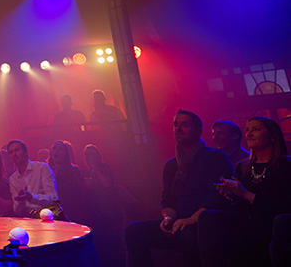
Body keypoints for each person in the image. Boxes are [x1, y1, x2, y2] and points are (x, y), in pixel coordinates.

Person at [124, 109, 232, 267]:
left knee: (188, 235)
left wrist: (190, 219)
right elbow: (168, 199)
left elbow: (217, 197)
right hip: (178, 222)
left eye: (185, 125)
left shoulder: (215, 157)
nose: (178, 129)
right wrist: (168, 218)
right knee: (134, 231)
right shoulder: (171, 165)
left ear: (198, 130)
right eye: (175, 125)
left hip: (204, 222)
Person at [198, 116, 291, 266]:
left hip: (270, 221)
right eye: (247, 130)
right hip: (244, 219)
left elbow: (282, 206)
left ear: (272, 136)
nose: (249, 134)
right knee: (208, 217)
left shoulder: (285, 165)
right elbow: (239, 202)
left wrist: (245, 194)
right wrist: (230, 194)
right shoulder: (243, 166)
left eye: (256, 129)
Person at [6, 140, 58, 217]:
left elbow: (53, 199)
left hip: (47, 217)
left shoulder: (42, 168)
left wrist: (32, 197)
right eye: (11, 152)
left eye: (17, 150)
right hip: (27, 220)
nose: (14, 154)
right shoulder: (13, 179)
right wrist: (21, 202)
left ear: (25, 152)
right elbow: (16, 210)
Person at [47, 141, 84, 222]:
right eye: (54, 148)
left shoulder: (74, 170)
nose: (56, 151)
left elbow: (81, 192)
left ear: (66, 153)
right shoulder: (46, 170)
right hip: (52, 211)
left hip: (72, 210)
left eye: (60, 149)